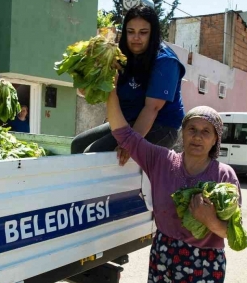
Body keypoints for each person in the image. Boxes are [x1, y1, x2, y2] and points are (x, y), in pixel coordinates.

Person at [106, 85, 243, 283]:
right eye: (192, 129)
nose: (197, 137)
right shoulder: (162, 161)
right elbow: (125, 134)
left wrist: (209, 219)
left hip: (203, 267)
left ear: (216, 139)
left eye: (206, 131)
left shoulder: (223, 176)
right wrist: (110, 93)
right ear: (183, 132)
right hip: (164, 258)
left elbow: (236, 236)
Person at [71, 4, 186, 166]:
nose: (136, 38)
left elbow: (152, 109)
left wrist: (131, 143)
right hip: (129, 120)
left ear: (153, 33)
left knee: (94, 153)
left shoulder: (165, 62)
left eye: (143, 33)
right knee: (78, 144)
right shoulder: (120, 55)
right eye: (130, 32)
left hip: (162, 125)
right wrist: (87, 87)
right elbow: (104, 91)